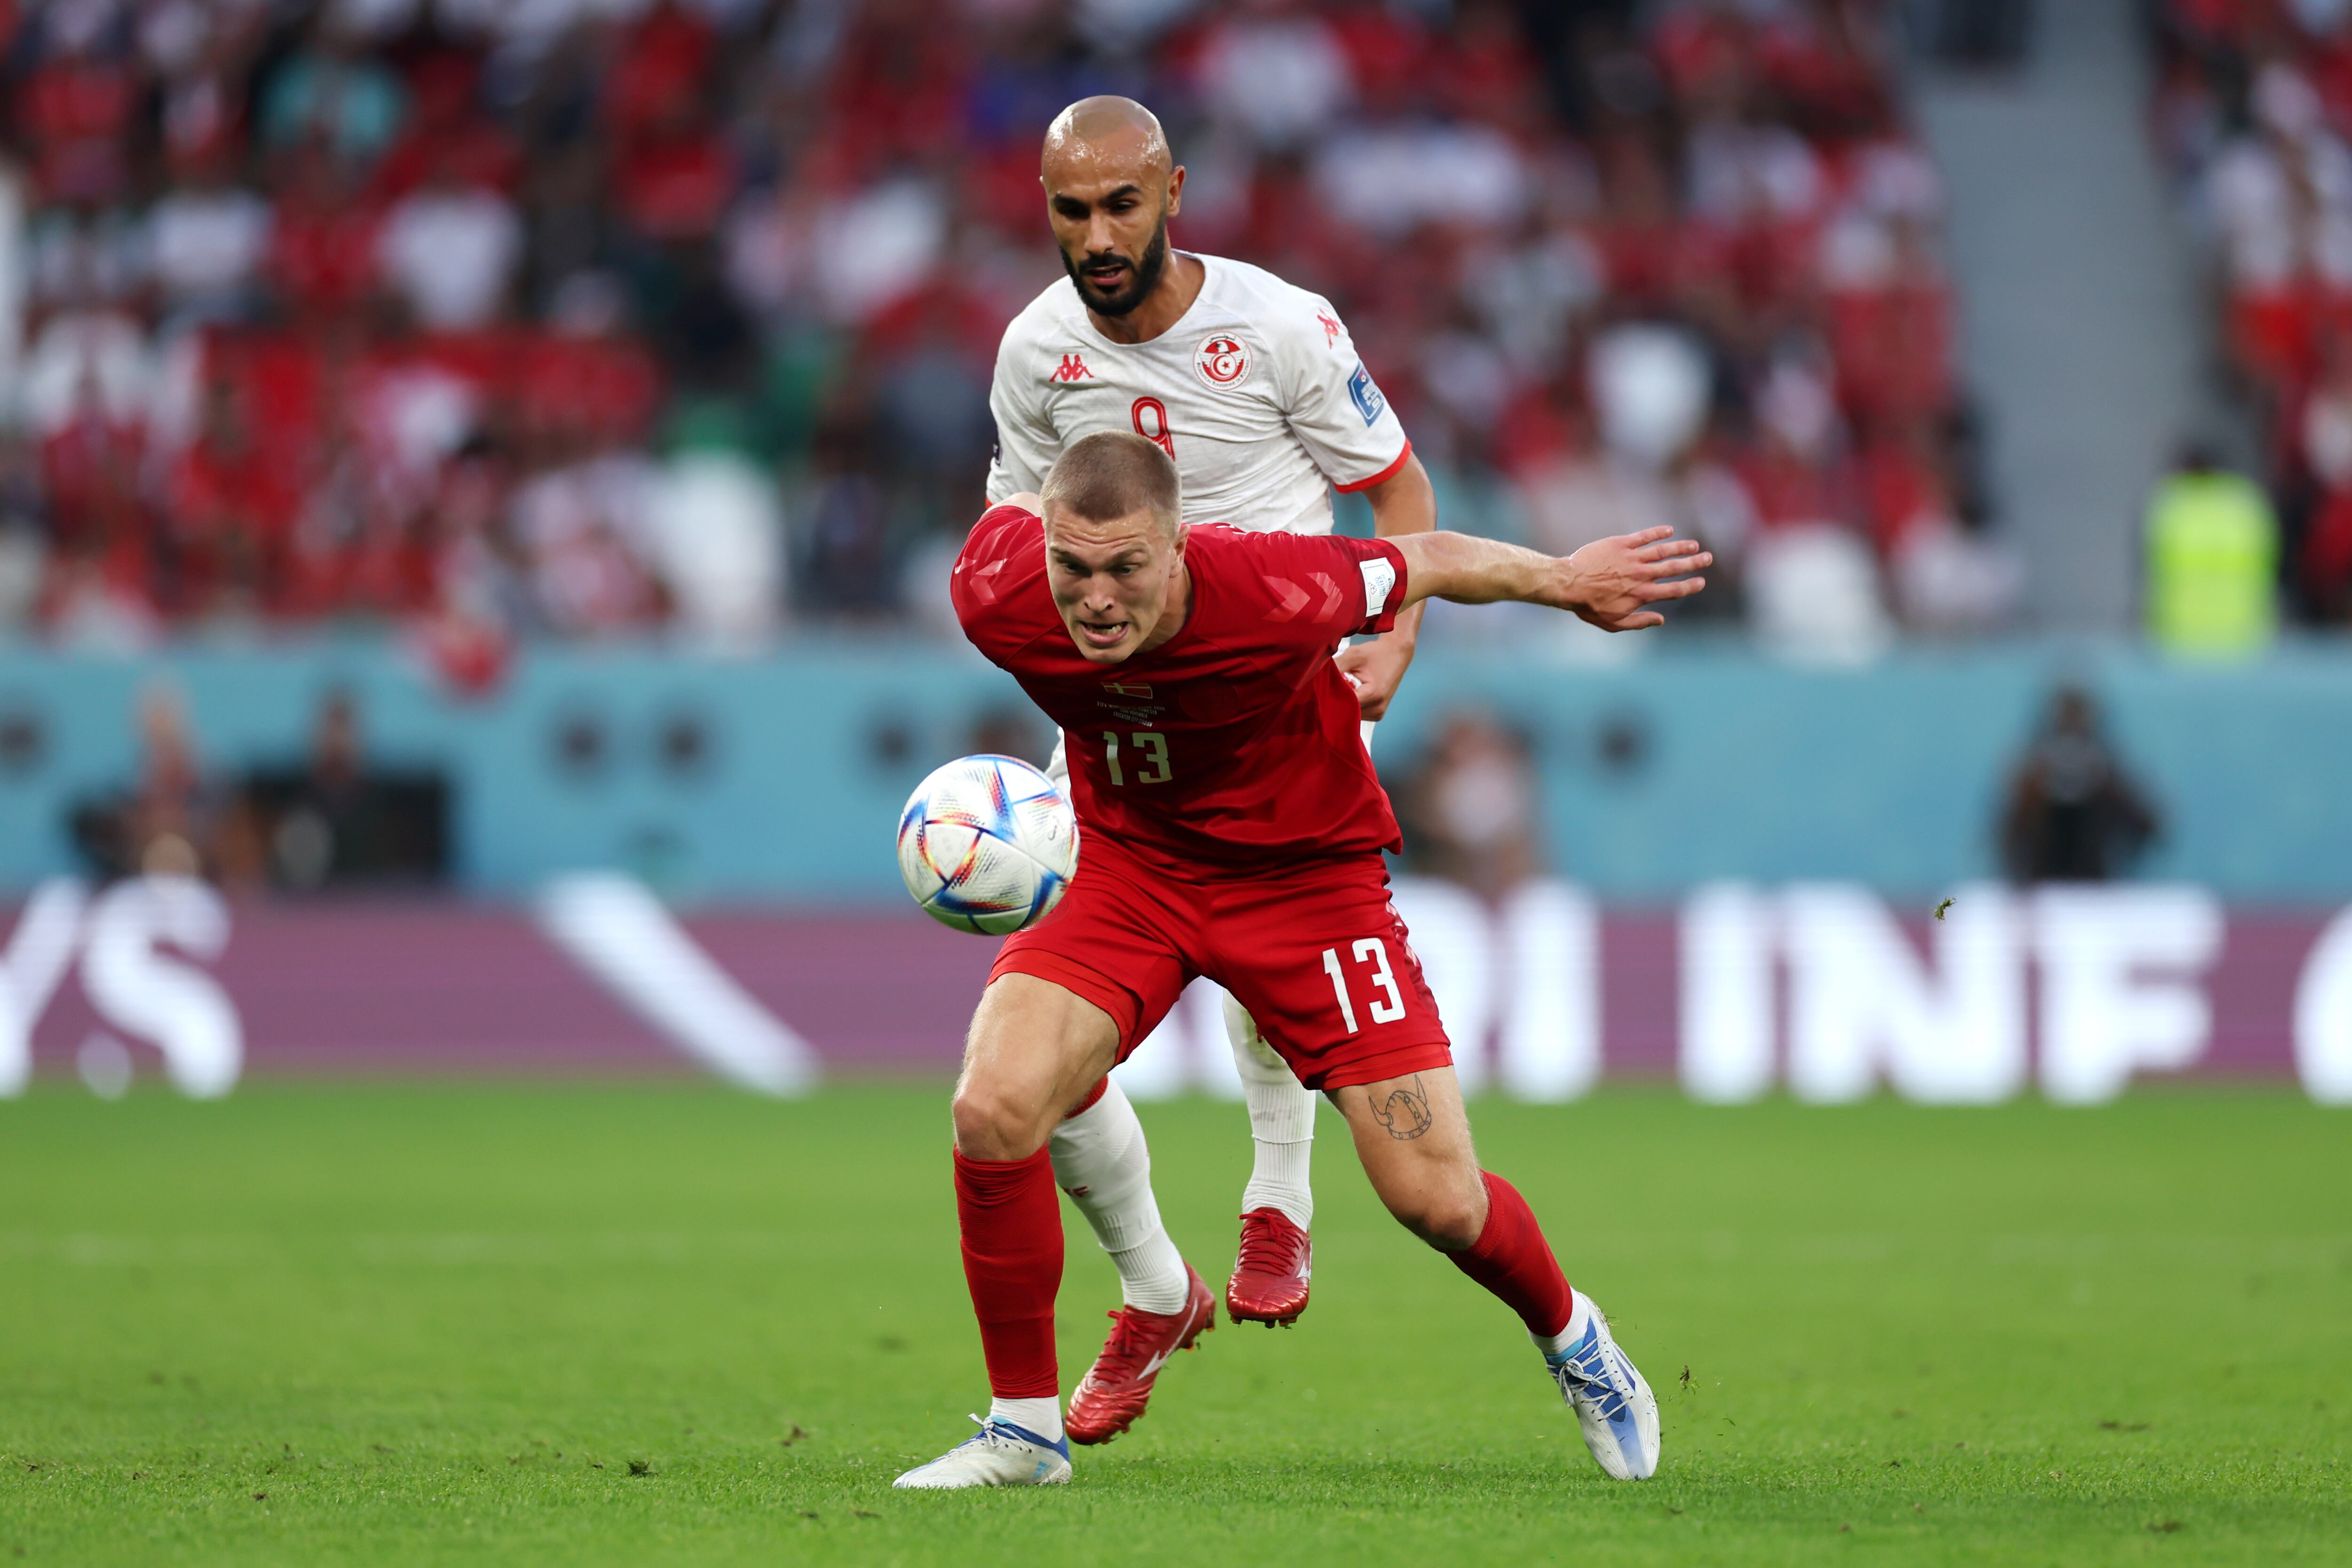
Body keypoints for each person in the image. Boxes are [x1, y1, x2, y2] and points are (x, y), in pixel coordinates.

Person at [894, 431, 1706, 1489]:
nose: (1095, 599)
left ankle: (1573, 1335)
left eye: (1126, 567)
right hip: (1130, 867)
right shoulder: (993, 585)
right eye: (1073, 567)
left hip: (1304, 879)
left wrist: (1566, 581)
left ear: (1177, 546)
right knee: (992, 1106)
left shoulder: (1272, 587)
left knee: (1435, 1198)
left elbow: (1433, 555)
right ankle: (1023, 1432)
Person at [984, 94, 1441, 1441]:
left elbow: (1402, 495)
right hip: (1122, 707)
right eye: (1073, 210)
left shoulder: (1281, 327)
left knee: (1262, 946)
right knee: (1032, 1045)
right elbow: (1018, 531)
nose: (1098, 235)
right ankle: (1153, 1284)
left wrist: (1395, 638)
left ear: (1174, 192)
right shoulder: (1034, 351)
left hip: (1275, 694)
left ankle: (1279, 1192)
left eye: (1122, 204)